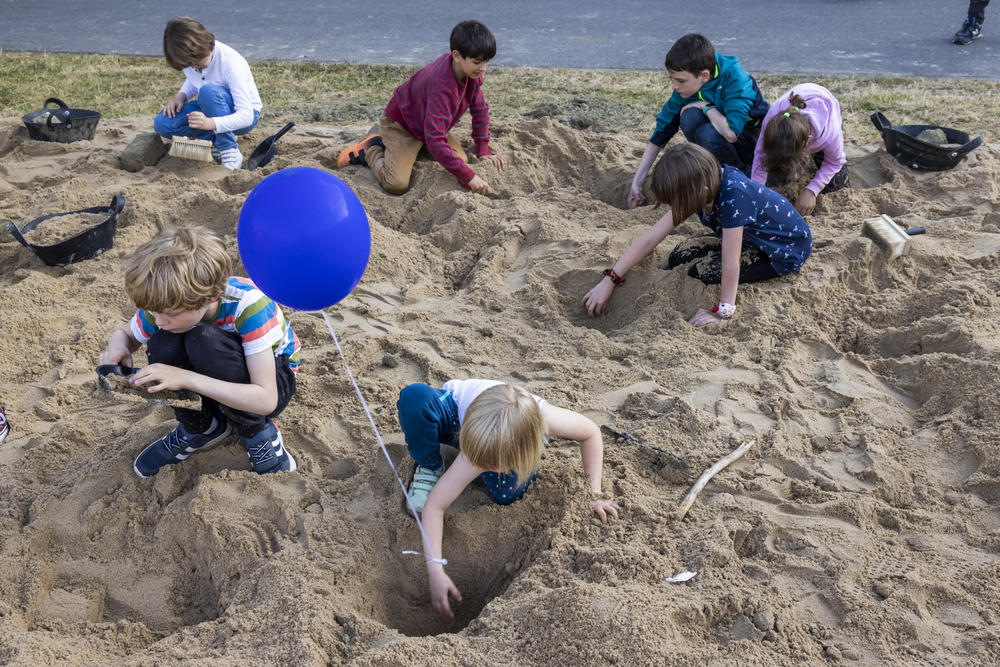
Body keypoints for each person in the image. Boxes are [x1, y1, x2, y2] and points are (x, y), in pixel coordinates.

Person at [396, 379, 618, 619]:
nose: (483, 468)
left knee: (508, 493)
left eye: (492, 464)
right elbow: (435, 506)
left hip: (507, 437)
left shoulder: (548, 419)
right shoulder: (475, 446)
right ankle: (431, 465)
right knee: (415, 400)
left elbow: (591, 433)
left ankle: (501, 464)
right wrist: (435, 569)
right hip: (455, 415)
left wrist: (594, 494)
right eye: (482, 462)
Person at [99, 227, 300, 478]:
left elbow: (266, 399)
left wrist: (184, 379)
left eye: (169, 314)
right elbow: (125, 334)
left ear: (209, 298)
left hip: (271, 381)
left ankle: (257, 434)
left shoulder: (249, 306)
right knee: (162, 342)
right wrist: (119, 348)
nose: (158, 320)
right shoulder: (165, 304)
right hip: (217, 376)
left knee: (203, 340)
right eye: (153, 312)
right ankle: (202, 427)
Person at [585, 143, 812, 327]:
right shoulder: (701, 181)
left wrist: (723, 312)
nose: (670, 209)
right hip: (751, 237)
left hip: (783, 251)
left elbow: (730, 263)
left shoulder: (734, 197)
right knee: (679, 256)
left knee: (700, 272)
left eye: (674, 202)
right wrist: (610, 278)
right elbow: (650, 238)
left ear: (699, 192)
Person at [334, 20, 506, 195]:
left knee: (460, 159)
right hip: (402, 126)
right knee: (396, 183)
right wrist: (470, 177)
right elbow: (437, 141)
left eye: (487, 61)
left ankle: (415, 150)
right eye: (477, 62)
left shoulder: (471, 73)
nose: (483, 68)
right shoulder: (442, 88)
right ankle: (371, 147)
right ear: (456, 55)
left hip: (428, 125)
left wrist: (483, 148)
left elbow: (480, 109)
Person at [627, 33, 768, 208]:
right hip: (723, 141)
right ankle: (714, 174)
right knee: (689, 117)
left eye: (680, 81)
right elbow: (659, 135)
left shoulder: (736, 79)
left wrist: (706, 106)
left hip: (754, 145)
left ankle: (743, 179)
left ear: (705, 76)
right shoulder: (689, 84)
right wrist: (637, 182)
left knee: (706, 132)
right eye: (672, 79)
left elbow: (731, 133)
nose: (675, 86)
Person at [154, 17, 262, 170]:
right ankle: (216, 141)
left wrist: (209, 123)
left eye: (197, 63)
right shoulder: (193, 60)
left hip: (243, 113)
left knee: (207, 92)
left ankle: (228, 148)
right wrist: (181, 95)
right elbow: (195, 79)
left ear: (205, 46)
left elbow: (246, 116)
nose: (194, 68)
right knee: (162, 122)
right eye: (189, 66)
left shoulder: (231, 63)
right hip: (209, 106)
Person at [750, 84, 849, 216]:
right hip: (791, 124)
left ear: (807, 143)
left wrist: (812, 190)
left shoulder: (831, 133)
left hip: (825, 116)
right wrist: (757, 194)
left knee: (838, 191)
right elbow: (761, 157)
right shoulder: (772, 123)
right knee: (775, 178)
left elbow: (835, 162)